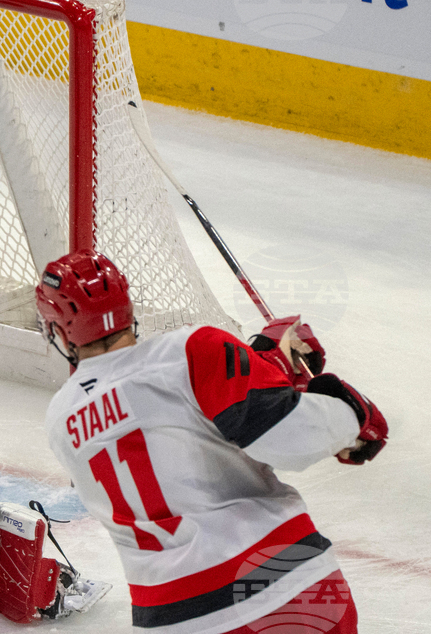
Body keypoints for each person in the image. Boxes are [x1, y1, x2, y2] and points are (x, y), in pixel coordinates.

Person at [35, 249, 387, 634]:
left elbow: (158, 423)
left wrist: (266, 367)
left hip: (174, 618)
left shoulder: (60, 418)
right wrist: (352, 412)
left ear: (58, 329)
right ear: (127, 305)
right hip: (288, 588)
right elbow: (287, 436)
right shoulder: (190, 350)